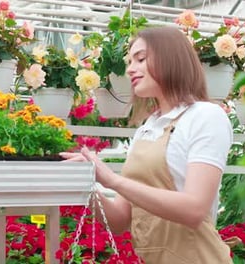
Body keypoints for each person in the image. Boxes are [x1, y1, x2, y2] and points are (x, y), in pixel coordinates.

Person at [60, 26, 233, 263]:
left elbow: (194, 209)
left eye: (140, 59)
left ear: (171, 59)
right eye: (130, 61)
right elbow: (120, 220)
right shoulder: (147, 128)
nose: (130, 69)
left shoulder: (205, 116)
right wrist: (85, 182)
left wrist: (112, 180)